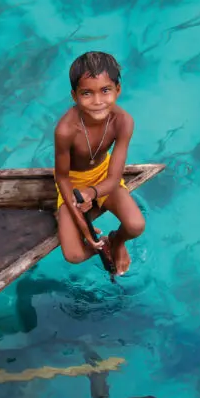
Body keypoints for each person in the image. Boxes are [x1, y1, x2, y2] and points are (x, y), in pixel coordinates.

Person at [53, 51, 145, 275]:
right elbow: (62, 177)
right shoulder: (66, 130)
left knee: (135, 226)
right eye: (87, 93)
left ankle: (117, 241)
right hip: (73, 185)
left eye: (105, 90)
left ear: (118, 90)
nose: (97, 102)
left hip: (104, 177)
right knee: (73, 256)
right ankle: (102, 245)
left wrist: (92, 193)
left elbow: (114, 178)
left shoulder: (123, 121)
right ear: (74, 96)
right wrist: (85, 228)